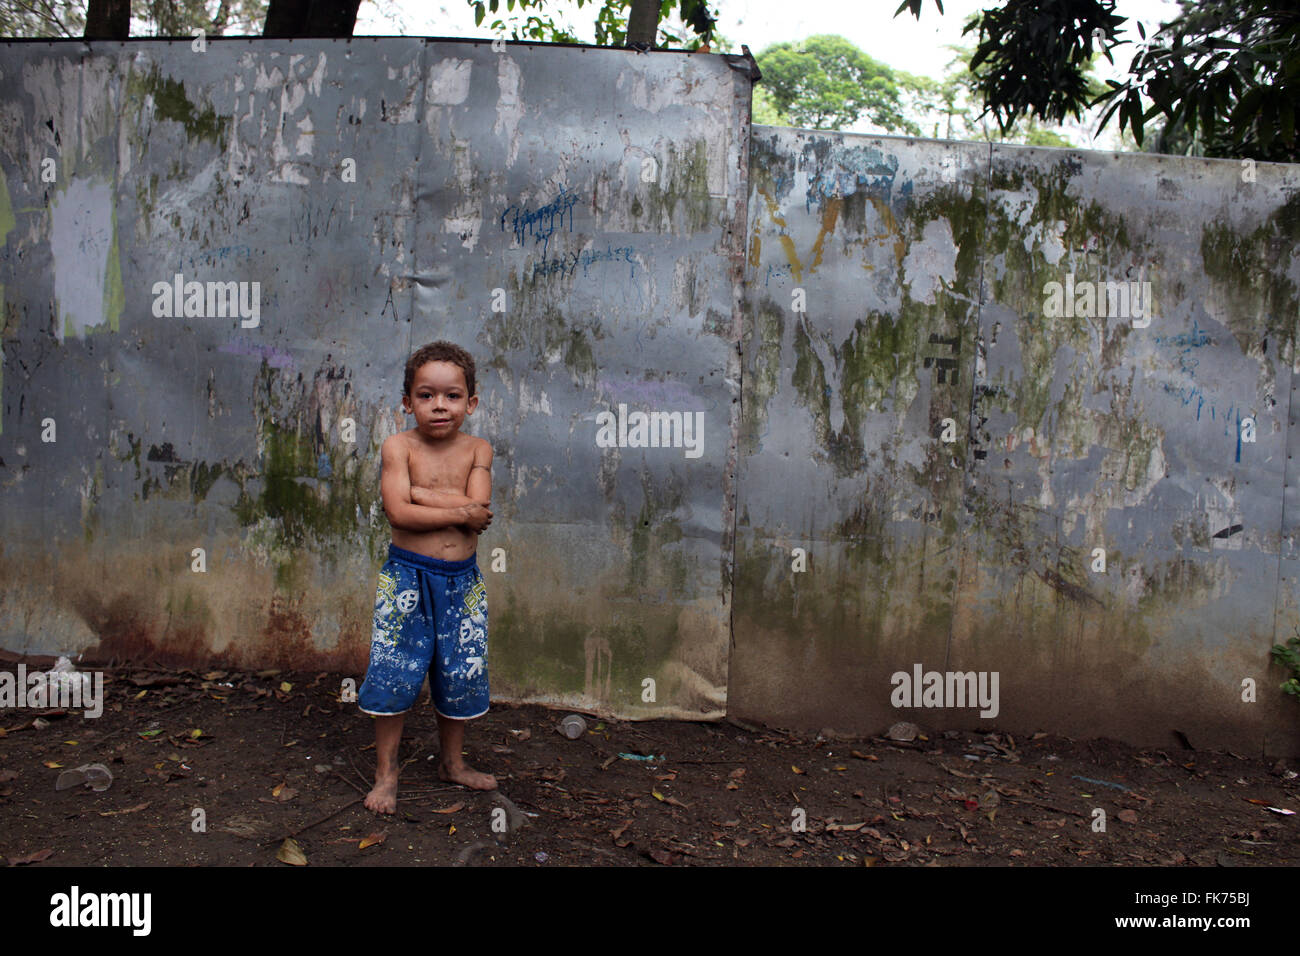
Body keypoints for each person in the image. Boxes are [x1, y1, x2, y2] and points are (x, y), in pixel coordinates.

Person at [358, 341, 496, 813]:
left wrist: (425, 496)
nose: (440, 405)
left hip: (462, 582)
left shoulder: (479, 449)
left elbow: (478, 514)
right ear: (407, 401)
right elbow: (399, 513)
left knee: (458, 673)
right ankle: (386, 773)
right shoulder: (399, 446)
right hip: (407, 579)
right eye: (426, 395)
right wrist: (448, 506)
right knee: (395, 672)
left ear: (471, 402)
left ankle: (452, 764)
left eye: (453, 396)